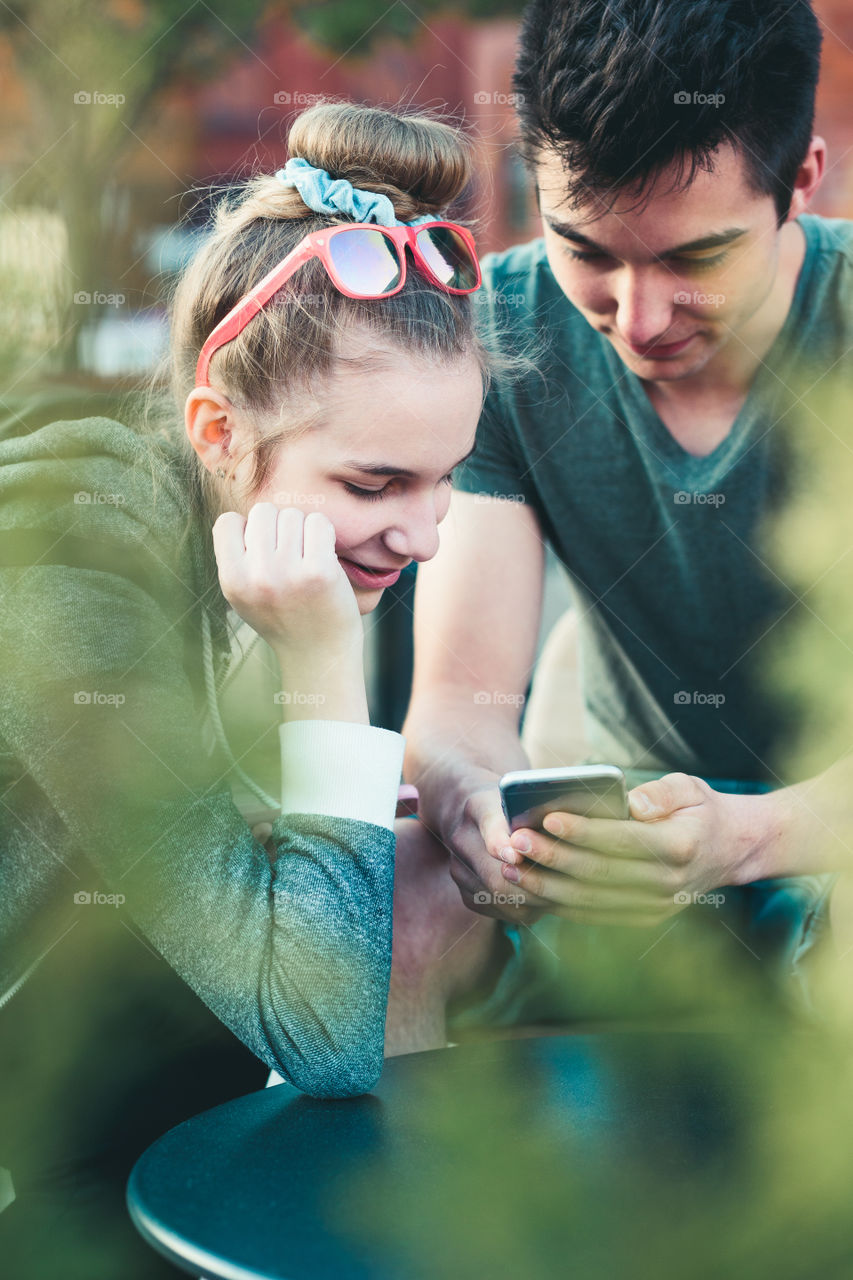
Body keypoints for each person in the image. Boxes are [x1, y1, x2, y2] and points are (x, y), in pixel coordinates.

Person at [0, 101, 502, 1279]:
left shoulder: (232, 529)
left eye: (442, 482)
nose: (423, 534)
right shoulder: (81, 580)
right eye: (377, 480)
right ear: (218, 431)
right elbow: (324, 1037)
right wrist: (326, 673)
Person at [403, 0, 853, 1026]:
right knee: (402, 879)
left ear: (800, 181)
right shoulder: (505, 335)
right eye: (589, 251)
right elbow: (463, 697)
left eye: (693, 260)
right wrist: (477, 807)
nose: (637, 318)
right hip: (614, 869)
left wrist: (745, 834)